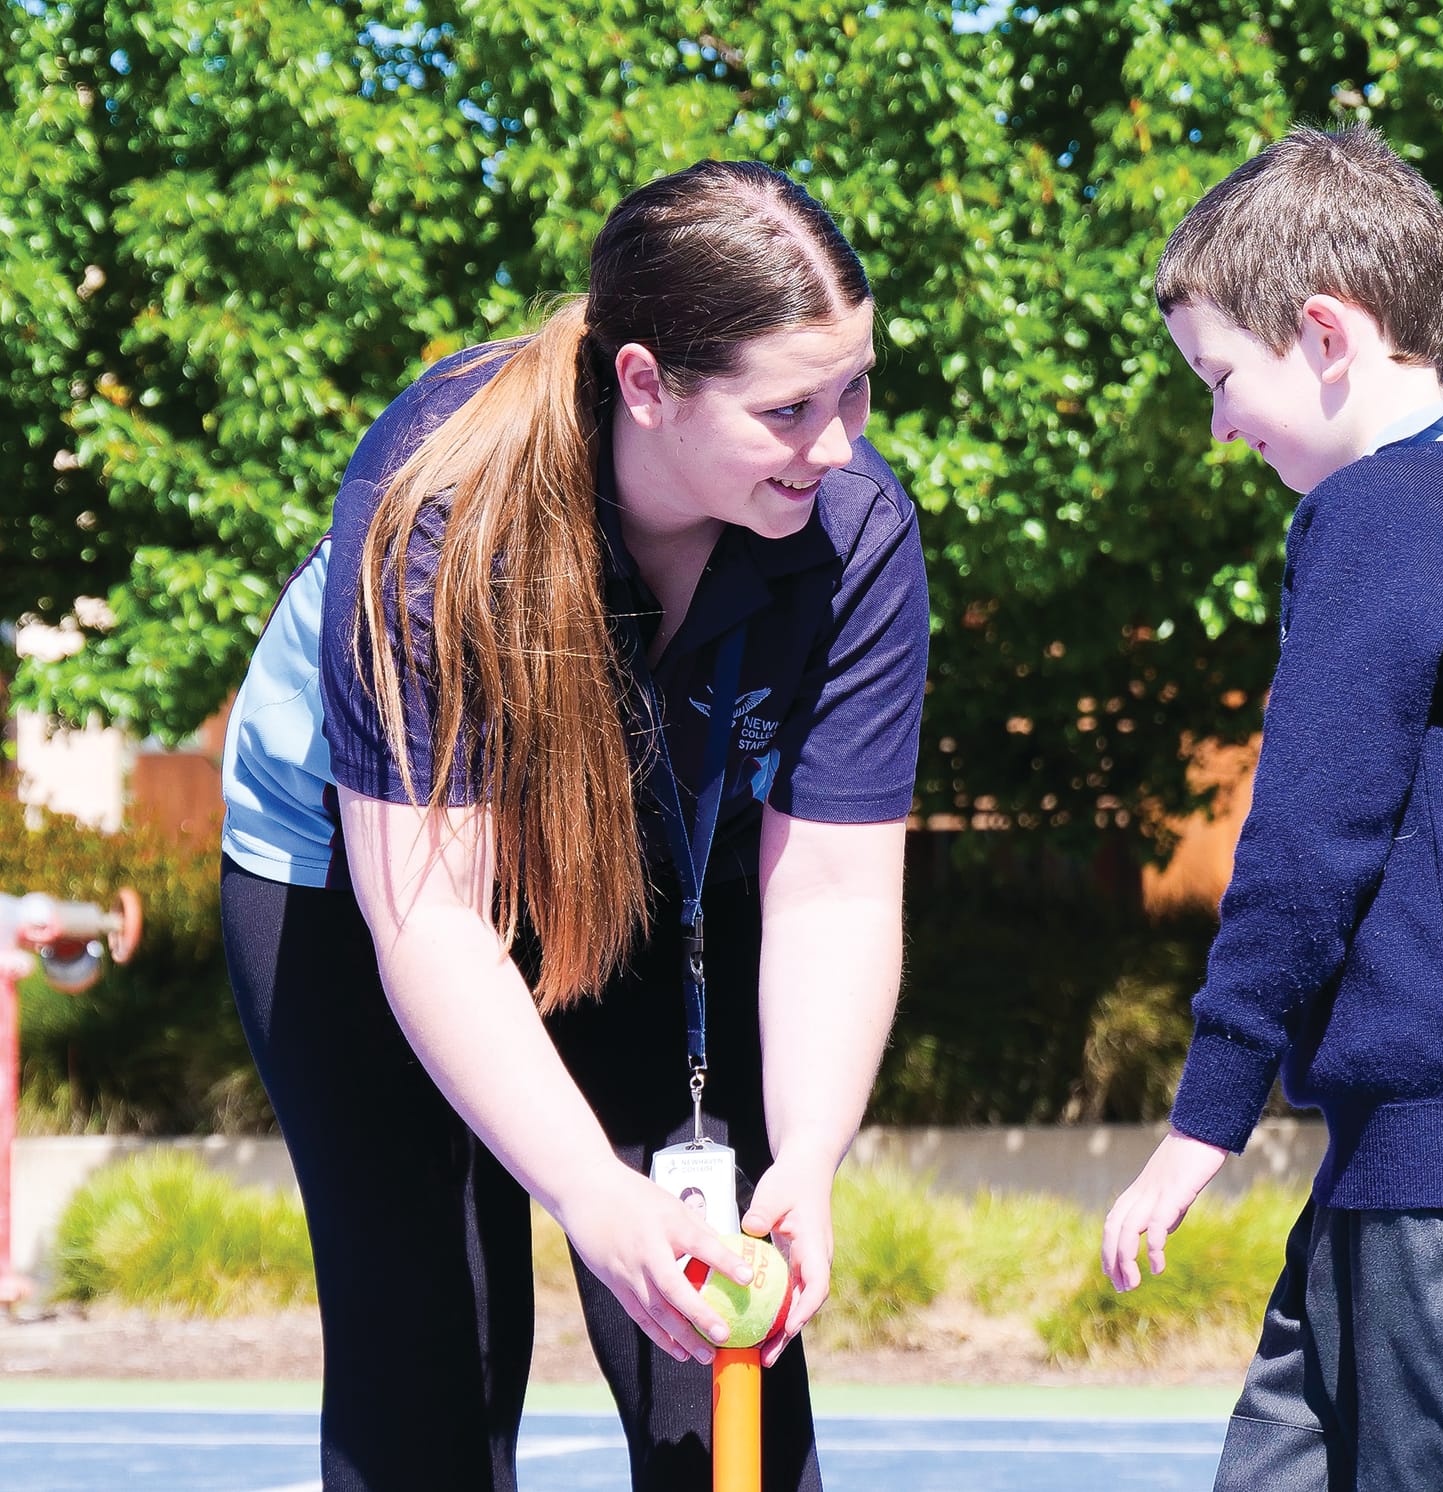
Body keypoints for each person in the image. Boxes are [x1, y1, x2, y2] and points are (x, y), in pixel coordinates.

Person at [218, 160, 928, 1491]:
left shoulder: (855, 532)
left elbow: (832, 891)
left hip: (658, 873)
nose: (837, 446)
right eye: (788, 409)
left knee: (721, 1344)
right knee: (434, 1348)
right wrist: (591, 1195)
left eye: (856, 390)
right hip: (370, 892)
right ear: (649, 385)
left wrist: (811, 1158)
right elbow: (431, 920)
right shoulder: (441, 514)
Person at [1100, 125, 1443, 1492]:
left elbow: (1305, 840)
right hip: (1405, 1155)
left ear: (1327, 335)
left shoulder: (1385, 515)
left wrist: (1202, 1120)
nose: (1219, 424)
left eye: (1222, 378)